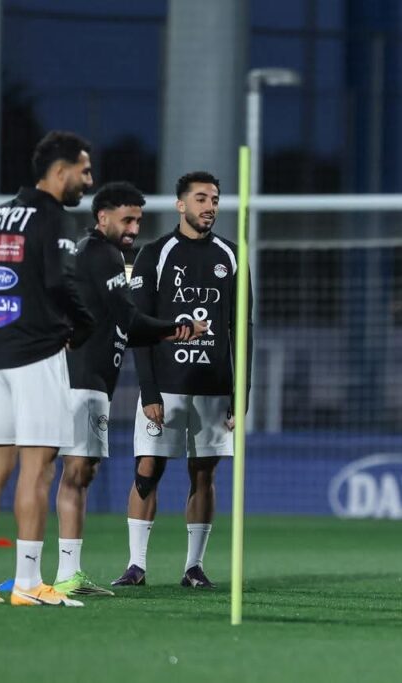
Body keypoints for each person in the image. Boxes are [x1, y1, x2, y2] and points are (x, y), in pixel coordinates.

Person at [0, 130, 96, 607]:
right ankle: (28, 584)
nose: (89, 181)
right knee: (38, 470)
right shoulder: (54, 217)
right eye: (84, 171)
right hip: (38, 357)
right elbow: (59, 282)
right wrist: (84, 323)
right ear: (60, 171)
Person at [53, 181, 207, 598]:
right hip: (82, 380)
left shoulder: (92, 254)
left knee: (77, 471)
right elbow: (131, 318)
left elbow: (124, 326)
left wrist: (167, 331)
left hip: (86, 380)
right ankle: (62, 574)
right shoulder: (101, 253)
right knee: (76, 472)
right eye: (127, 219)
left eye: (139, 220)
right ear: (102, 217)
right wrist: (179, 328)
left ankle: (59, 572)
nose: (134, 228)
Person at [111, 171, 251, 589]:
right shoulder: (155, 254)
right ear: (181, 205)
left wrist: (241, 392)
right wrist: (148, 391)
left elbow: (243, 329)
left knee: (204, 474)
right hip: (166, 386)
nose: (210, 206)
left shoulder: (232, 255)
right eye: (201, 198)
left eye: (215, 199)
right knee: (147, 469)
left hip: (213, 388)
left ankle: (193, 567)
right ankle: (136, 566)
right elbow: (138, 327)